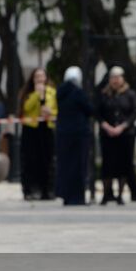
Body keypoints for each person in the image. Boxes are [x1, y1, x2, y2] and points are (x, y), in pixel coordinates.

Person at [97, 66, 136, 206]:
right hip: (107, 134)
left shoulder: (130, 94)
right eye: (113, 77)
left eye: (118, 77)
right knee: (108, 165)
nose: (115, 80)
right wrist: (106, 126)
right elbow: (97, 112)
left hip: (125, 134)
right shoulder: (104, 94)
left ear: (123, 78)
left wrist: (122, 127)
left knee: (124, 164)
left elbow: (134, 112)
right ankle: (106, 194)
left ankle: (120, 195)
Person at [55, 66, 93, 206]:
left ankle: (66, 195)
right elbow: (89, 109)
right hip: (79, 134)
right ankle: (77, 197)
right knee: (78, 166)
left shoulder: (60, 92)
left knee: (65, 165)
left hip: (63, 134)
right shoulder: (78, 93)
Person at [18, 69, 56, 200]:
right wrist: (37, 94)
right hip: (31, 130)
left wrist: (50, 113)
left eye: (42, 76)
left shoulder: (52, 92)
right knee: (31, 161)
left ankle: (48, 190)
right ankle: (31, 190)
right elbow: (26, 108)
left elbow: (57, 110)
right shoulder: (28, 93)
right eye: (37, 76)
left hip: (46, 128)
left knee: (47, 160)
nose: (40, 79)